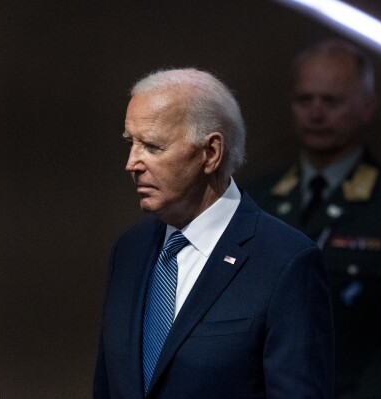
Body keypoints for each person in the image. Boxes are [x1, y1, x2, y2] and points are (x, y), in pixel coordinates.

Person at [93, 68, 335, 399]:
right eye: (131, 143)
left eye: (152, 146)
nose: (132, 163)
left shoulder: (286, 262)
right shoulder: (130, 250)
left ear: (211, 153)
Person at [247, 39, 381, 398]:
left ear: (367, 107)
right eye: (304, 100)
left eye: (332, 101)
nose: (316, 113)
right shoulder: (255, 199)